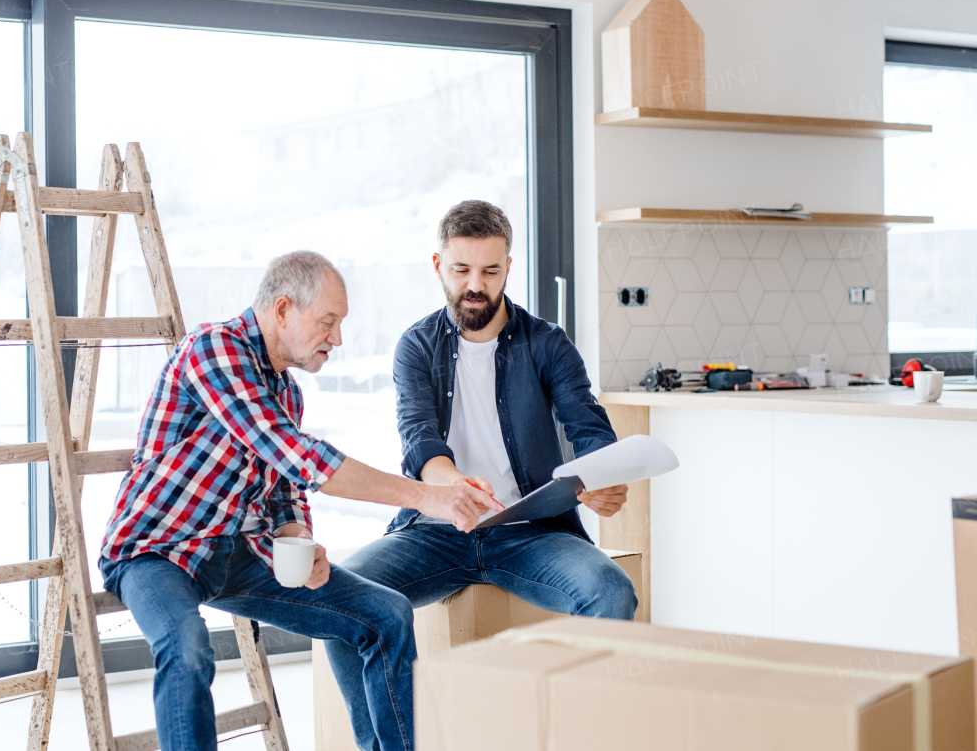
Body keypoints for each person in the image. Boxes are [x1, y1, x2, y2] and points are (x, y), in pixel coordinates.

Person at [98, 250, 495, 751]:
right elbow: (299, 456)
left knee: (386, 614)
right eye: (328, 321)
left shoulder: (287, 393)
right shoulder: (213, 350)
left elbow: (287, 489)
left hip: (233, 554)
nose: (338, 338)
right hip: (156, 550)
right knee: (187, 648)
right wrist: (431, 498)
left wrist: (298, 538)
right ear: (283, 310)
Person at [325, 200, 638, 751]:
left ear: (508, 268)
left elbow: (586, 423)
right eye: (462, 270)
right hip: (437, 533)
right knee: (339, 596)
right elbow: (419, 441)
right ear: (437, 266)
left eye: (490, 272)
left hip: (532, 533)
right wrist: (452, 489)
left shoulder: (547, 343)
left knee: (611, 593)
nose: (476, 286)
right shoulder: (416, 347)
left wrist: (602, 478)